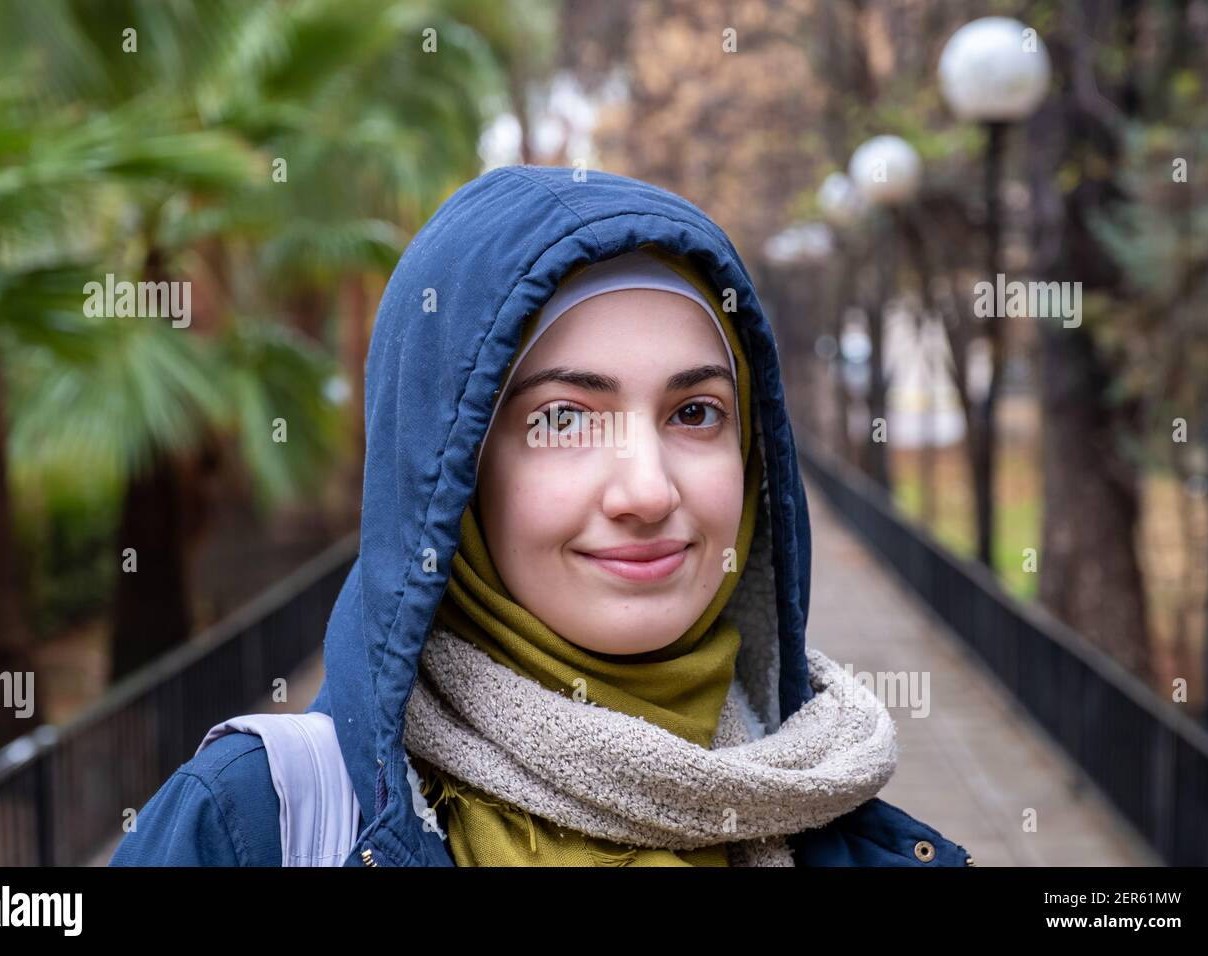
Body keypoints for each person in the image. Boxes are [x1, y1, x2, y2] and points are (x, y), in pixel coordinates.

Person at [110, 165, 973, 867]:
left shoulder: (849, 826)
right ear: (454, 474)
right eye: (563, 418)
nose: (647, 491)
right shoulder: (251, 828)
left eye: (696, 413)